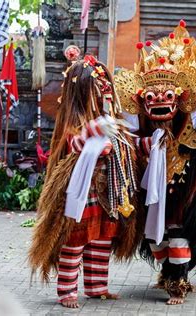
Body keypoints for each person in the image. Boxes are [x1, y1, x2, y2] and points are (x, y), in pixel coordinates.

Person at [114, 20, 196, 305]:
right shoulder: (142, 130)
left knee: (178, 227)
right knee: (155, 236)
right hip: (154, 178)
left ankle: (179, 281)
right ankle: (168, 269)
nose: (160, 102)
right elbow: (131, 139)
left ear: (182, 99)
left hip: (184, 176)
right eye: (151, 97)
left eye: (168, 96)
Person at [28, 53, 144, 308]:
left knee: (102, 239)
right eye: (97, 90)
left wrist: (144, 144)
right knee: (76, 241)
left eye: (105, 90)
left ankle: (96, 286)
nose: (103, 95)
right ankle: (67, 291)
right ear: (82, 93)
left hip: (108, 192)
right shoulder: (74, 125)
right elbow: (75, 144)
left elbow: (127, 144)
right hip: (83, 192)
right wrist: (96, 130)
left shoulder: (112, 121)